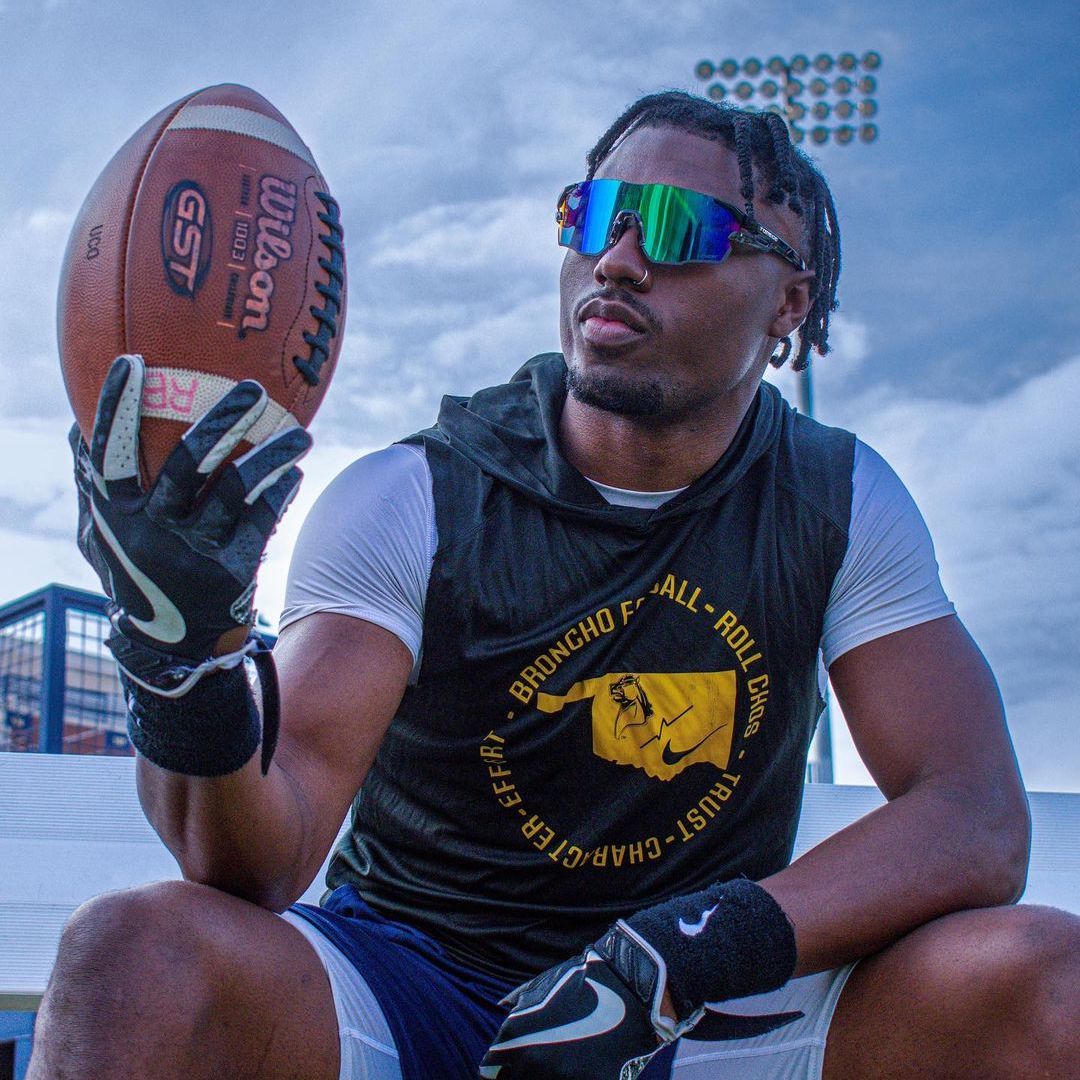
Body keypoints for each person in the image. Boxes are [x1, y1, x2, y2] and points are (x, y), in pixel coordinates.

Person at [29, 92, 1078, 1080]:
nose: (617, 259)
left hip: (690, 998)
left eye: (678, 229)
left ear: (789, 301)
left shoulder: (836, 498)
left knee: (1050, 985)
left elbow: (977, 817)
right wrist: (179, 659)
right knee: (135, 955)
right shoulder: (415, 492)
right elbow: (257, 863)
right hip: (419, 981)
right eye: (596, 215)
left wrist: (674, 958)